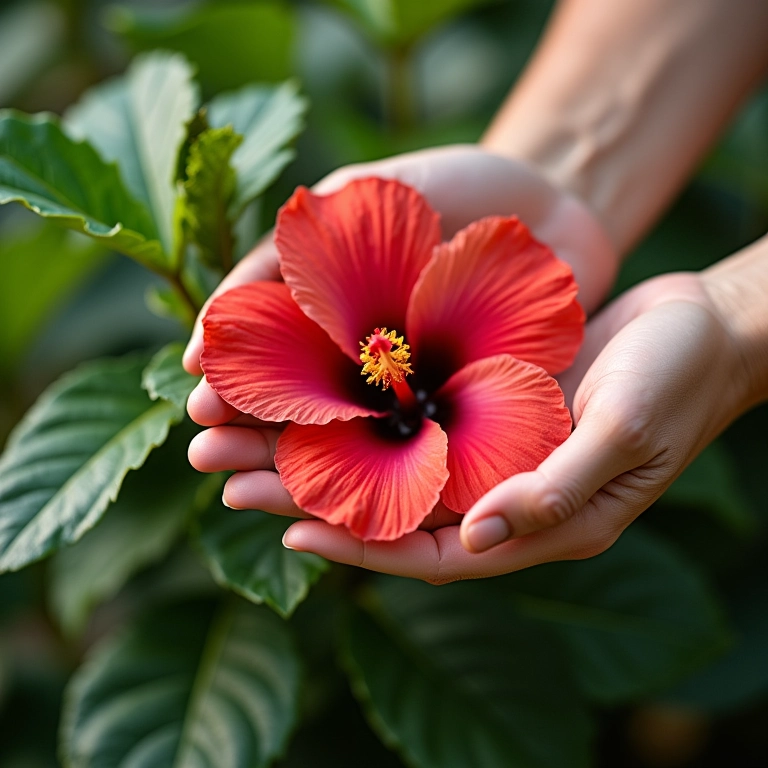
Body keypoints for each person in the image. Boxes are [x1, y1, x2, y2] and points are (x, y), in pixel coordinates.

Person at [182, 0, 768, 584]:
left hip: (472, 420)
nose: (380, 355)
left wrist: (740, 323)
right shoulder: (379, 357)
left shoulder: (397, 356)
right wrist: (561, 181)